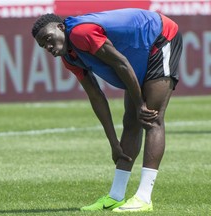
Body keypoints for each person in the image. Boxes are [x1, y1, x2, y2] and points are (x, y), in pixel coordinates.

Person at [32, 8, 182, 212]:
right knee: (130, 123)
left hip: (160, 36)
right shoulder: (69, 58)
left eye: (49, 38)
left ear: (60, 27)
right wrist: (113, 143)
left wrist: (139, 104)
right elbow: (96, 96)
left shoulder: (80, 33)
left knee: (151, 118)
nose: (48, 46)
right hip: (138, 53)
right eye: (43, 45)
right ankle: (116, 196)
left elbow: (121, 64)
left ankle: (144, 198)